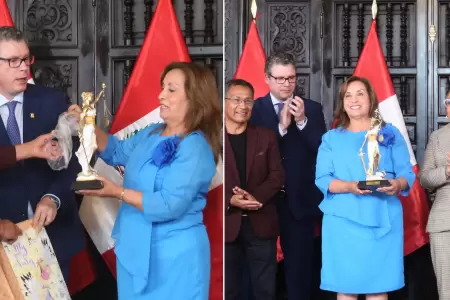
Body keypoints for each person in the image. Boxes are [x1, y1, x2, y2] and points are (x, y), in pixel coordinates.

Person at [70, 62, 221, 299]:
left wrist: (116, 192)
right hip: (134, 251)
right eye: (163, 87)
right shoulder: (152, 132)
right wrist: (86, 123)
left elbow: (169, 205)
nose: (161, 95)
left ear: (195, 98)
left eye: (171, 90)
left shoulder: (197, 147)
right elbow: (116, 151)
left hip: (174, 259)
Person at [315, 76, 415, 300]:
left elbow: (407, 173)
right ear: (342, 102)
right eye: (348, 95)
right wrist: (350, 186)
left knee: (378, 288)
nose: (354, 99)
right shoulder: (330, 138)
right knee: (346, 287)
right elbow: (322, 179)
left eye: (360, 93)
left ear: (370, 98)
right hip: (342, 223)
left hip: (383, 220)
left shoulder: (390, 133)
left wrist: (396, 184)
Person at [0, 26, 84, 281]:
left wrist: (53, 198)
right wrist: (27, 150)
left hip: (53, 239)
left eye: (26, 59)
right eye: (13, 61)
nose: (24, 68)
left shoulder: (52, 101)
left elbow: (75, 162)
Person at [249, 52, 326, 299]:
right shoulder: (252, 109)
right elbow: (250, 152)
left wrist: (302, 121)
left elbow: (322, 151)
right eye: (280, 79)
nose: (286, 84)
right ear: (267, 79)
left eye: (291, 78)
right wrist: (280, 128)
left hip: (300, 204)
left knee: (300, 274)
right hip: (263, 202)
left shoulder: (312, 109)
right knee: (261, 271)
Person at [224, 79, 284, 300]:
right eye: (236, 100)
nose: (243, 106)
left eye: (248, 100)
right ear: (225, 102)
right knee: (228, 291)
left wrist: (255, 196)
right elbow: (204, 182)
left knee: (265, 291)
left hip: (261, 224)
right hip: (225, 225)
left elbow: (277, 175)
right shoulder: (211, 139)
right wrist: (229, 200)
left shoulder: (266, 136)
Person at [419, 90, 450, 299]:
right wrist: (446, 172)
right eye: (449, 101)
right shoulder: (437, 137)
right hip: (443, 224)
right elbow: (424, 178)